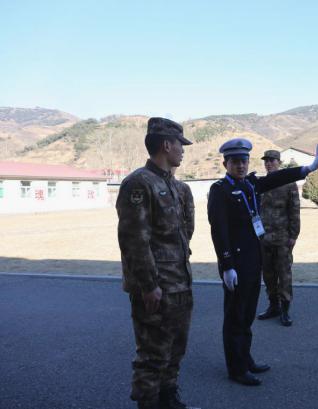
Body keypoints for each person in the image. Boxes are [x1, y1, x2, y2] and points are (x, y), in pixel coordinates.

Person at [207, 139, 318, 386]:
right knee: (235, 317)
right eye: (235, 162)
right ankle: (236, 368)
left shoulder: (249, 185)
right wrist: (227, 265)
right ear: (225, 163)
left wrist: (305, 170)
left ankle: (245, 359)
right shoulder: (220, 190)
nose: (241, 165)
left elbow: (276, 179)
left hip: (253, 259)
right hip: (236, 263)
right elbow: (219, 231)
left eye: (244, 161)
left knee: (247, 315)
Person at [116, 117, 200, 409]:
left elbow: (185, 234)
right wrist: (149, 285)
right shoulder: (138, 184)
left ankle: (168, 400)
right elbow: (134, 240)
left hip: (180, 284)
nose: (183, 150)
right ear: (166, 145)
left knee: (175, 351)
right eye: (180, 145)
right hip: (156, 290)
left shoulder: (179, 189)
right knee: (152, 357)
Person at [257, 150, 301, 326]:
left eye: (272, 160)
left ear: (278, 162)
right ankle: (273, 306)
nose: (268, 163)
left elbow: (294, 211)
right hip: (263, 238)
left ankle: (285, 309)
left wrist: (293, 235)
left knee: (284, 275)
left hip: (282, 238)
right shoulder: (260, 184)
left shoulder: (289, 184)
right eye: (266, 160)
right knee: (267, 275)